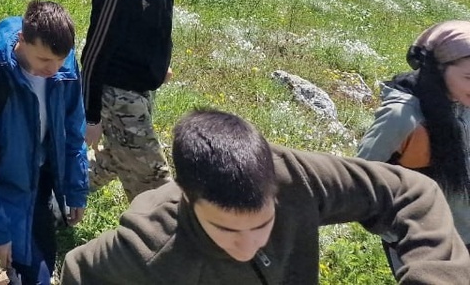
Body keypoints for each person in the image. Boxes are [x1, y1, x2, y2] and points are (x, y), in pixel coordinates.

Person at [62, 109, 470, 283]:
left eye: (263, 223)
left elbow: (409, 189)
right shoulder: (149, 245)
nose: (249, 245)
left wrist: (436, 276)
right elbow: (79, 269)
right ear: (186, 196)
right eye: (226, 230)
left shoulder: (293, 177)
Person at [0, 1, 88, 285]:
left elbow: (74, 130)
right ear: (22, 39)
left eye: (60, 60)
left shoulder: (64, 66)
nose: (54, 69)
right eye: (44, 61)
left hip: (41, 184)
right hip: (6, 190)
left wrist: (76, 189)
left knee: (43, 259)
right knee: (33, 274)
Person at [80, 0, 191, 202]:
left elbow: (162, 22)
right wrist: (91, 117)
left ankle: (61, 195)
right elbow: (92, 57)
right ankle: (159, 236)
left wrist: (160, 65)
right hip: (117, 93)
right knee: (152, 180)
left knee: (118, 155)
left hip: (143, 87)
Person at [358, 21, 470, 267]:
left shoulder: (464, 102)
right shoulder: (403, 116)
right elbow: (359, 179)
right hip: (425, 243)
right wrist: (395, 230)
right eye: (469, 77)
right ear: (439, 68)